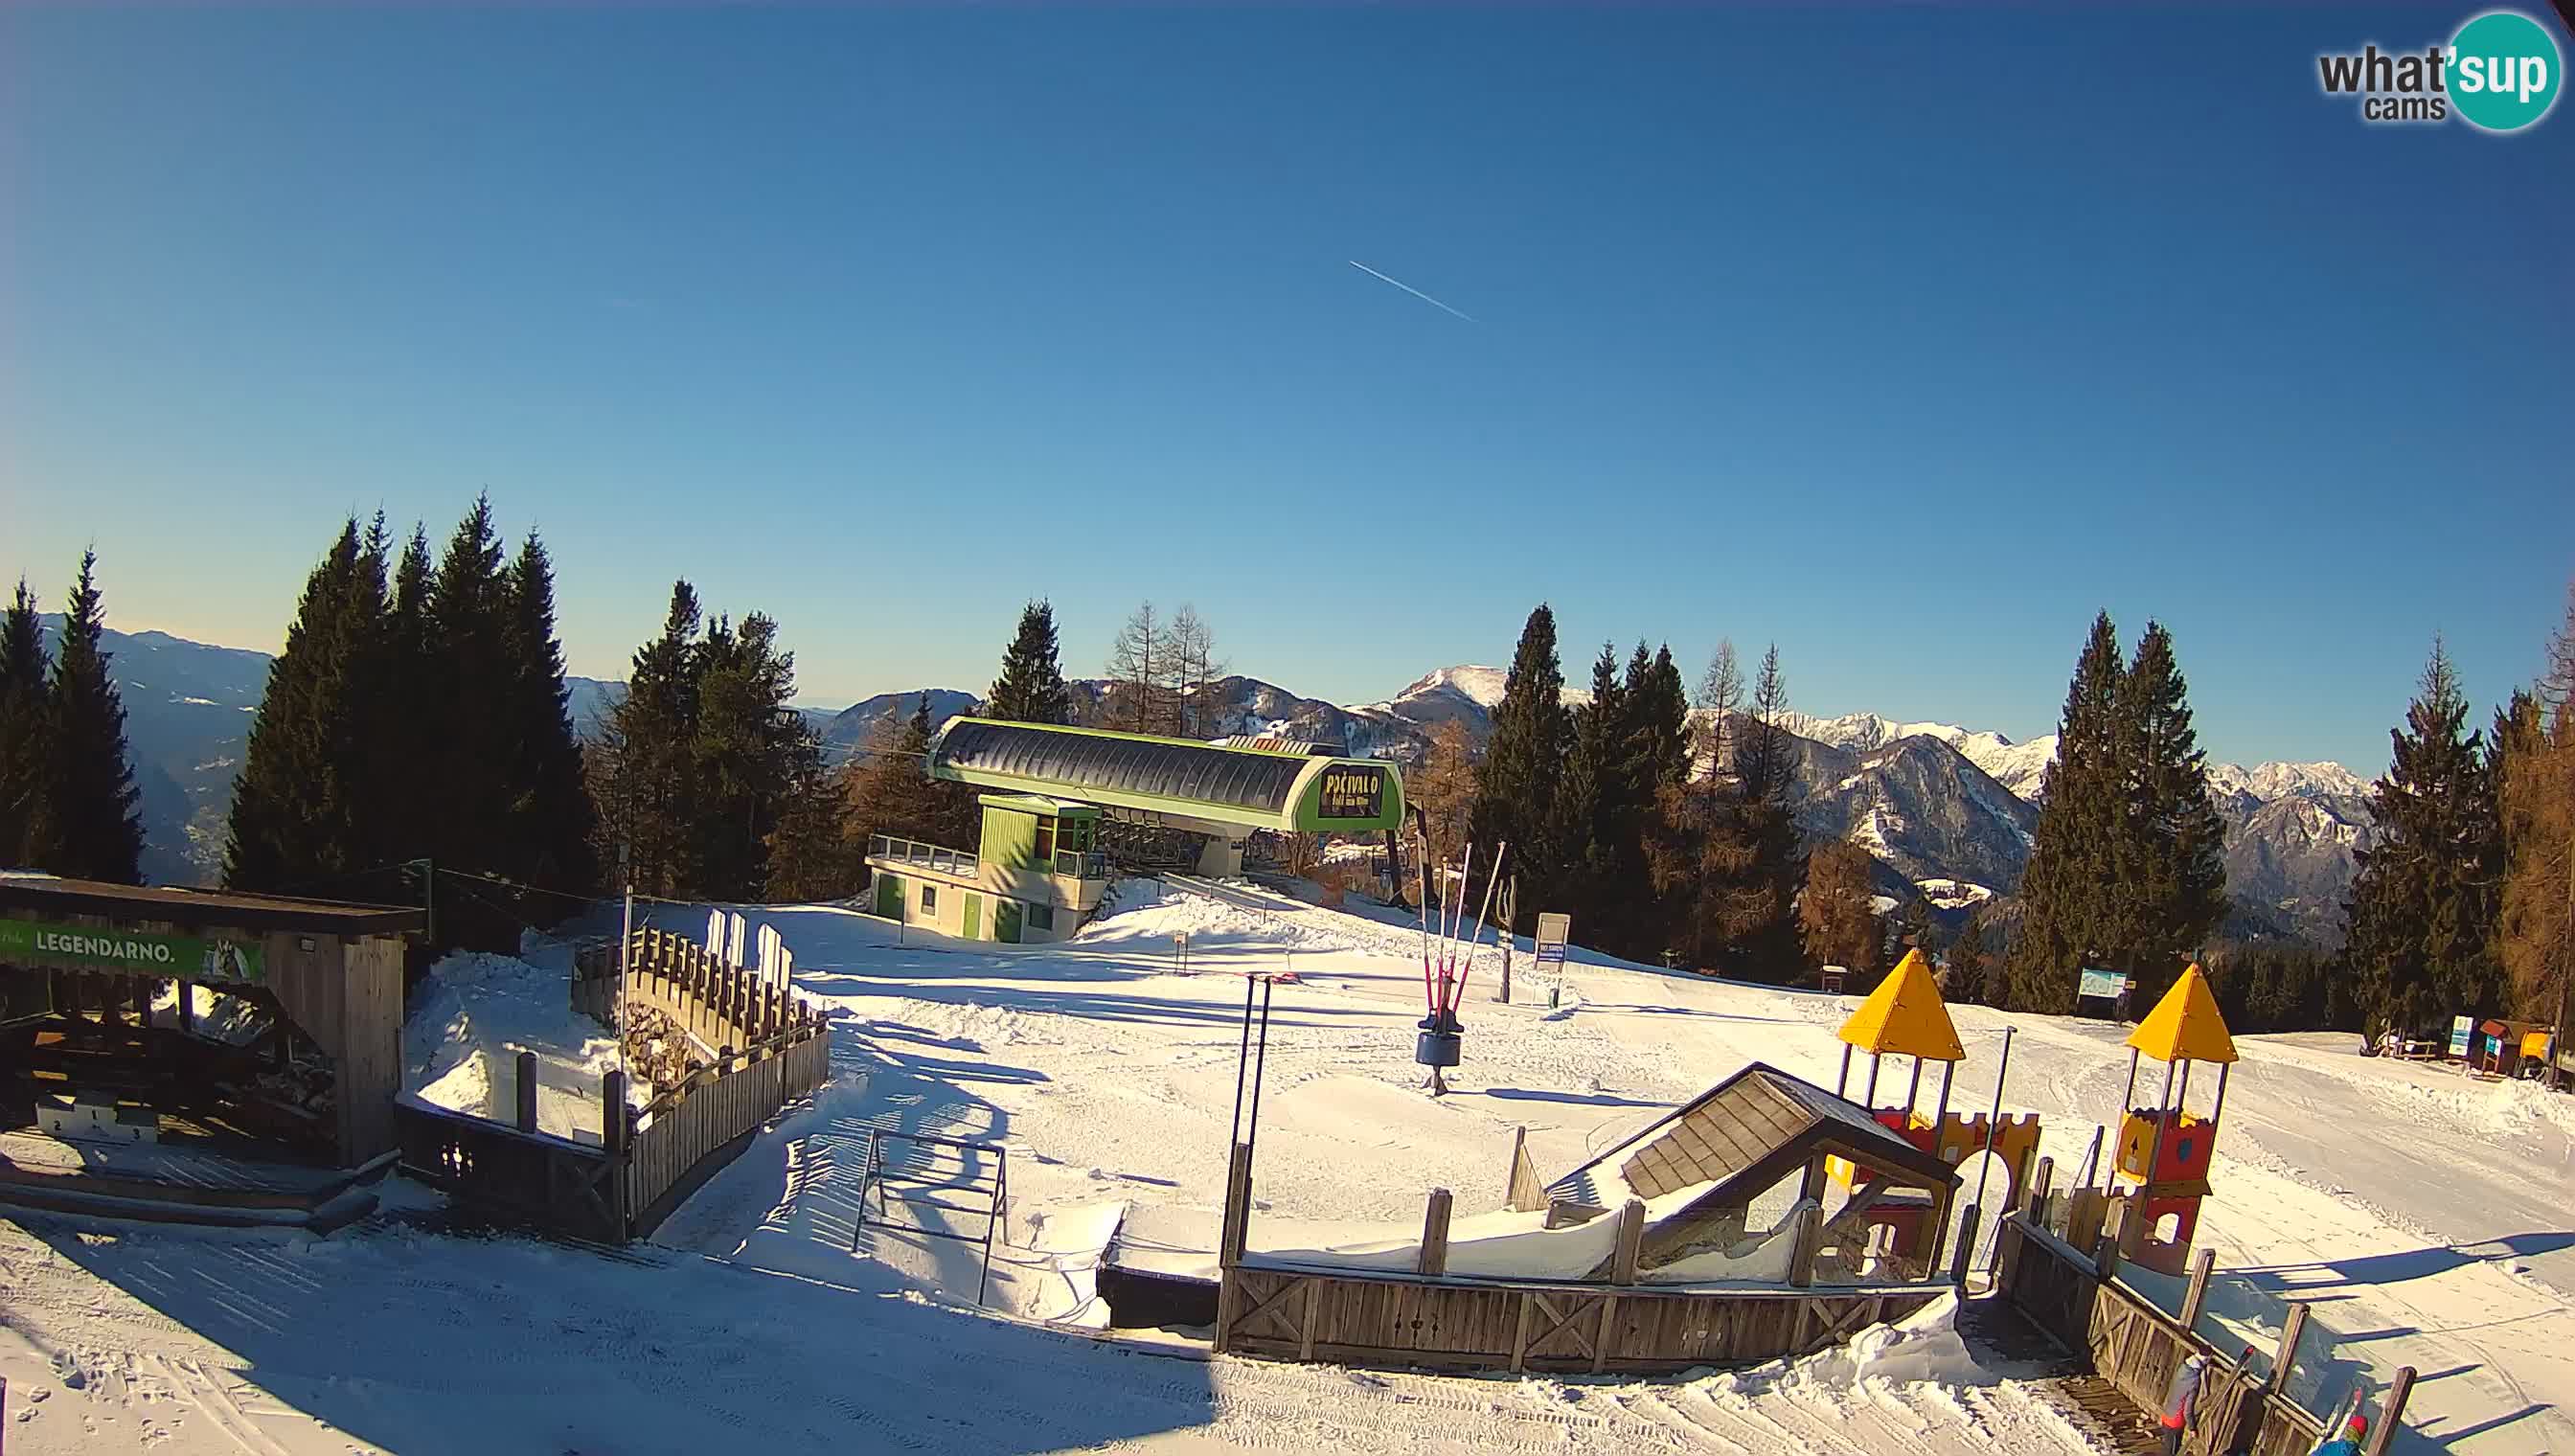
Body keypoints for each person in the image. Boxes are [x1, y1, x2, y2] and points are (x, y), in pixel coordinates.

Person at [2159, 1353, 2207, 1456]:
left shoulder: (2182, 1369)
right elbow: (2187, 1410)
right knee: (2172, 1452)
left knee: (2167, 1446)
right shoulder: (2194, 1381)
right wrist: (2192, 1428)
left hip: (2167, 1414)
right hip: (2176, 1422)